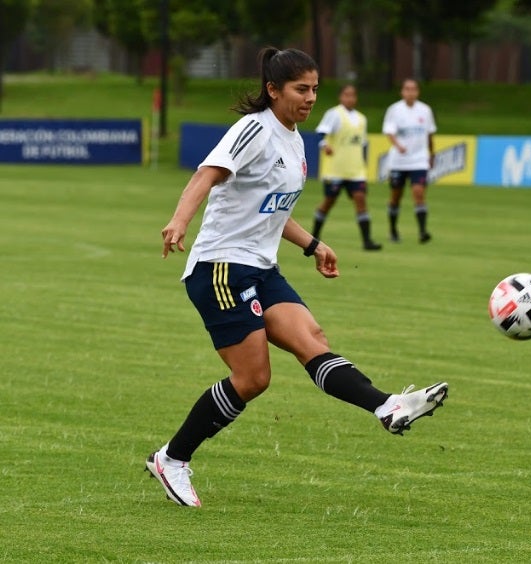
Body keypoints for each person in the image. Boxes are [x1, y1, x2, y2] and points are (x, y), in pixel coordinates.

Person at [147, 47, 448, 508]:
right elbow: (205, 176)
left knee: (313, 340)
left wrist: (313, 244)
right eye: (300, 89)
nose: (310, 98)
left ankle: (387, 405)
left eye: (314, 89)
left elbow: (271, 210)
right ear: (273, 90)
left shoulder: (293, 140)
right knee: (253, 378)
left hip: (261, 267)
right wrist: (179, 221)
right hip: (221, 267)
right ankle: (172, 459)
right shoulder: (254, 129)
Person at [312, 84, 381, 251]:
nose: (350, 98)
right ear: (341, 97)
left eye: (353, 95)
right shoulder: (334, 114)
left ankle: (367, 241)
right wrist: (325, 145)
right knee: (328, 202)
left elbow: (362, 144)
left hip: (356, 170)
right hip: (335, 170)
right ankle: (314, 237)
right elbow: (321, 133)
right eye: (346, 95)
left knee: (361, 200)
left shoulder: (362, 119)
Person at [381, 78, 437, 243]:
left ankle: (422, 231)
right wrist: (398, 145)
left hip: (419, 160)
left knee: (419, 193)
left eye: (413, 89)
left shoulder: (425, 110)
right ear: (402, 91)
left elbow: (430, 134)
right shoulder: (394, 110)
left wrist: (432, 154)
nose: (410, 92)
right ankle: (393, 230)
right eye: (407, 89)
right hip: (399, 161)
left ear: (417, 92)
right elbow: (389, 132)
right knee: (395, 197)